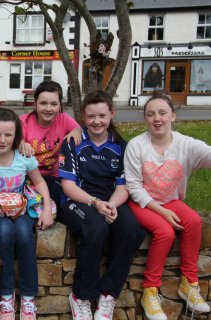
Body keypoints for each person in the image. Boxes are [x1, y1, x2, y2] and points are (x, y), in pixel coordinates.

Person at [124, 92, 211, 320]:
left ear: (173, 116)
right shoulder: (136, 145)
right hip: (142, 202)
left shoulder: (186, 145)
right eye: (150, 114)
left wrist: (168, 209)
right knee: (165, 232)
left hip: (171, 200)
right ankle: (150, 291)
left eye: (162, 113)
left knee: (194, 222)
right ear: (145, 119)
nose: (156, 118)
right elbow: (133, 187)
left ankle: (189, 283)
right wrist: (162, 212)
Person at [58, 91, 145, 320]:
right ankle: (82, 296)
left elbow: (123, 185)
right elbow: (67, 185)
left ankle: (108, 294)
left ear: (112, 114)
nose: (97, 121)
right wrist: (95, 203)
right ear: (83, 117)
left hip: (110, 198)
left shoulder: (121, 145)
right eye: (91, 116)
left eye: (102, 116)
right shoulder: (73, 143)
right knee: (96, 229)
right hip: (78, 199)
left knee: (130, 229)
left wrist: (112, 205)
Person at [0, 107, 54, 320]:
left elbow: (39, 182)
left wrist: (47, 210)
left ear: (16, 136)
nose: (2, 139)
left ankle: (28, 298)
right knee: (4, 234)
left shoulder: (23, 156)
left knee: (25, 235)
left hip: (21, 209)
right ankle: (6, 298)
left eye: (8, 135)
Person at [20, 80, 81, 214]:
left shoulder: (63, 119)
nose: (48, 108)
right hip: (28, 177)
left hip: (53, 176)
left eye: (54, 104)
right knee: (30, 207)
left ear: (60, 105)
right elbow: (15, 141)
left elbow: (78, 129)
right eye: (43, 103)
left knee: (62, 204)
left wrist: (76, 131)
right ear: (35, 104)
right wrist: (21, 143)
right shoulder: (24, 122)